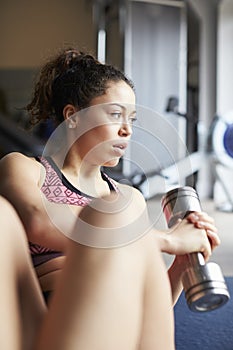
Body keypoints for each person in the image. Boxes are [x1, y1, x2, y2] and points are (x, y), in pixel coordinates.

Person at [0, 48, 219, 349]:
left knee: (119, 211)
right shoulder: (26, 169)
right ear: (72, 116)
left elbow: (147, 304)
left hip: (115, 322)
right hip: (41, 316)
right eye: (115, 114)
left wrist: (180, 266)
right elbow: (38, 221)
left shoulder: (129, 198)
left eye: (132, 118)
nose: (127, 130)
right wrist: (168, 240)